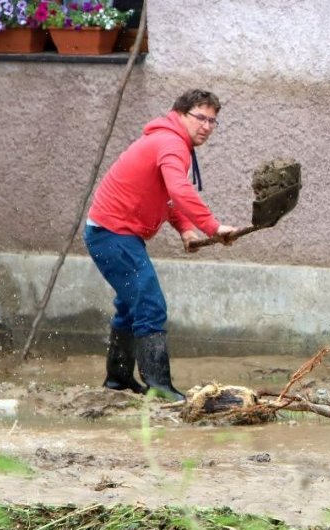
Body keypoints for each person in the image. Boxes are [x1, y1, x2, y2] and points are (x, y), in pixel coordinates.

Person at [84, 89, 239, 402]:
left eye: (213, 121)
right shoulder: (171, 143)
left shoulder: (168, 141)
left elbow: (167, 197)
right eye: (200, 117)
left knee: (131, 307)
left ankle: (119, 381)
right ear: (179, 114)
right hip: (112, 233)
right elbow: (180, 191)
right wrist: (212, 226)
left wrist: (185, 229)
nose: (207, 126)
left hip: (113, 233)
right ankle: (159, 388)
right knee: (150, 304)